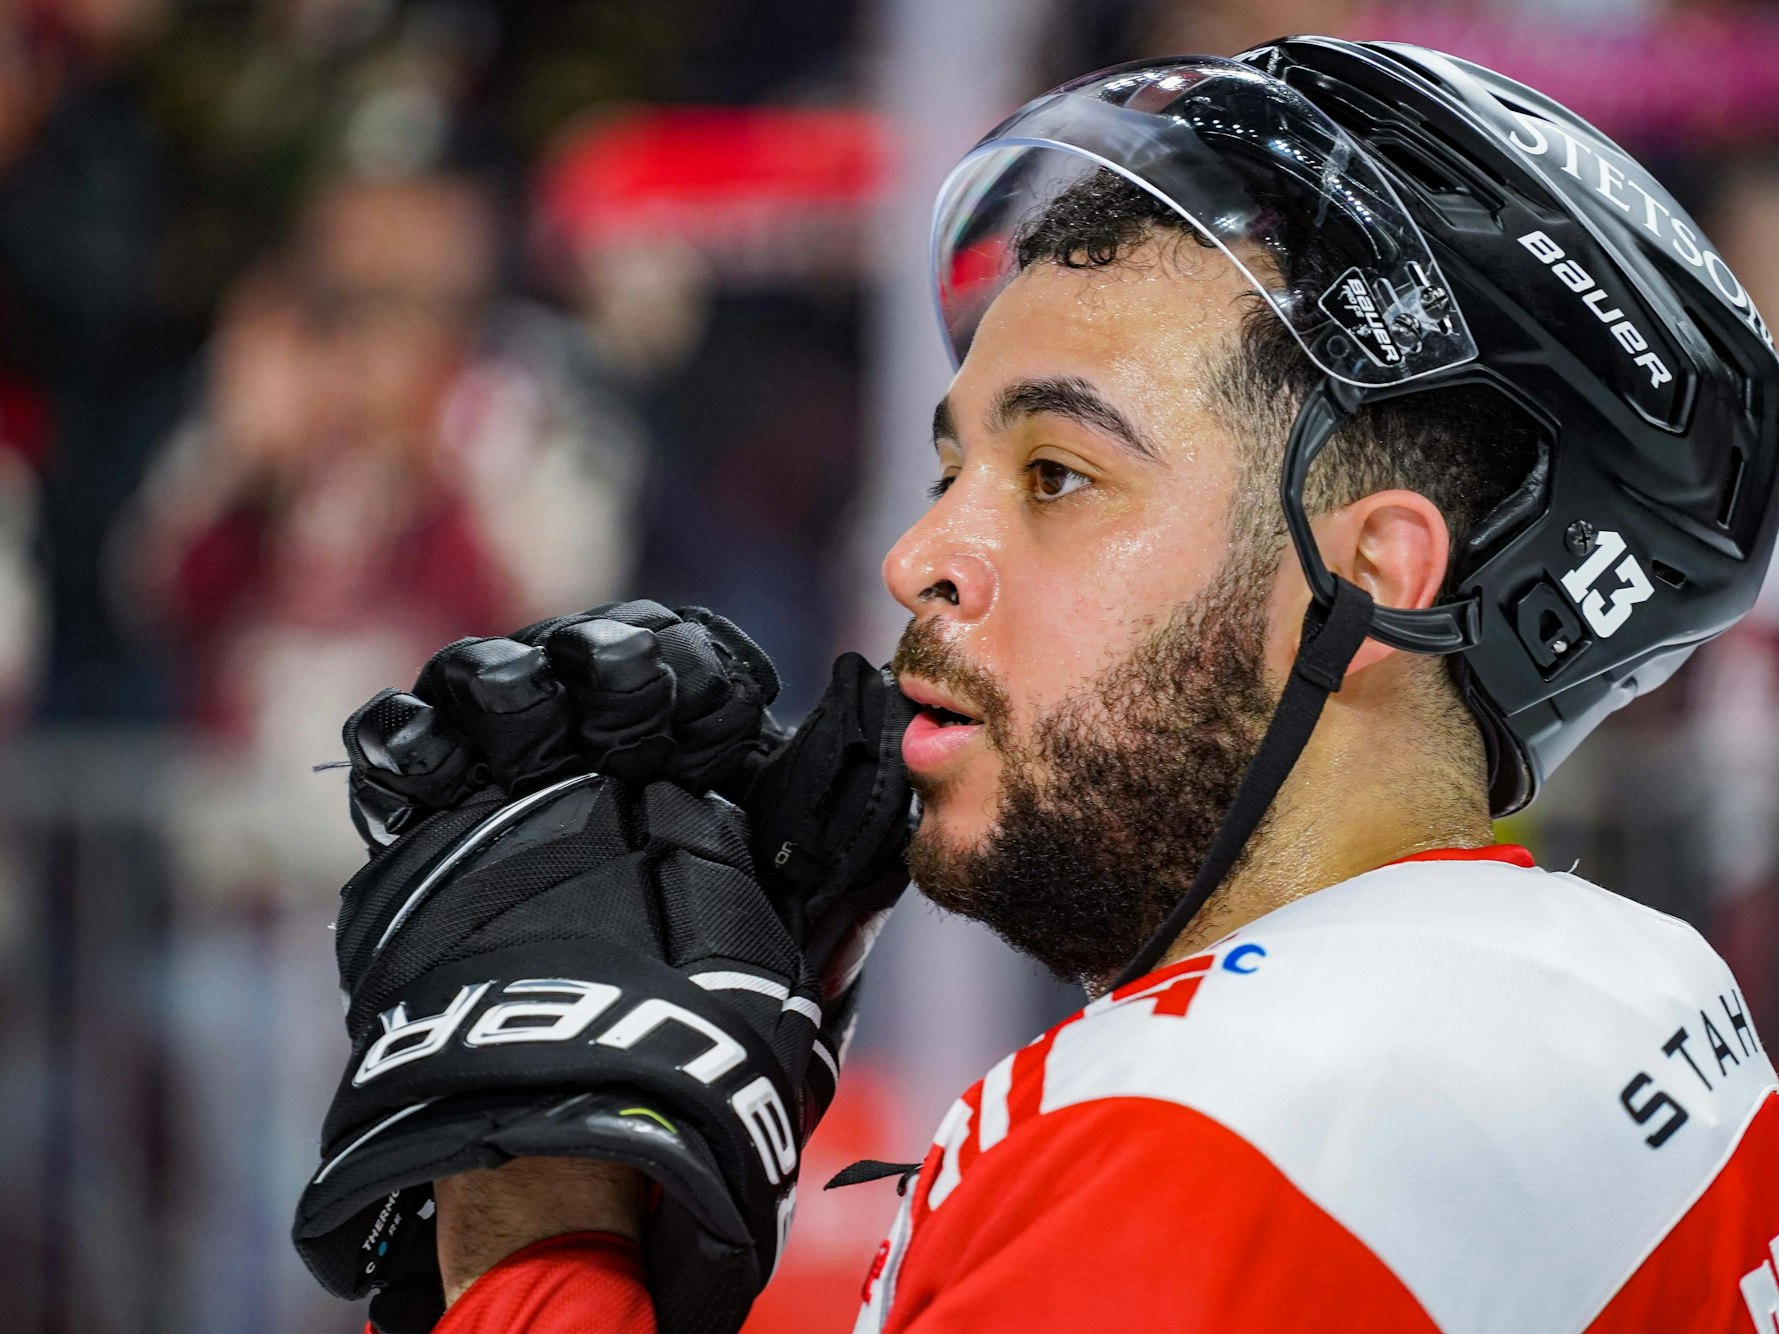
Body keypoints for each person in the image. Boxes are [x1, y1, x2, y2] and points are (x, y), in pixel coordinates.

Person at [291, 39, 1779, 1334]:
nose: (921, 554)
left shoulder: (1219, 1135)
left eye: (1057, 475)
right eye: (953, 469)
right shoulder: (1622, 981)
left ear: (1373, 579)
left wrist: (539, 1235)